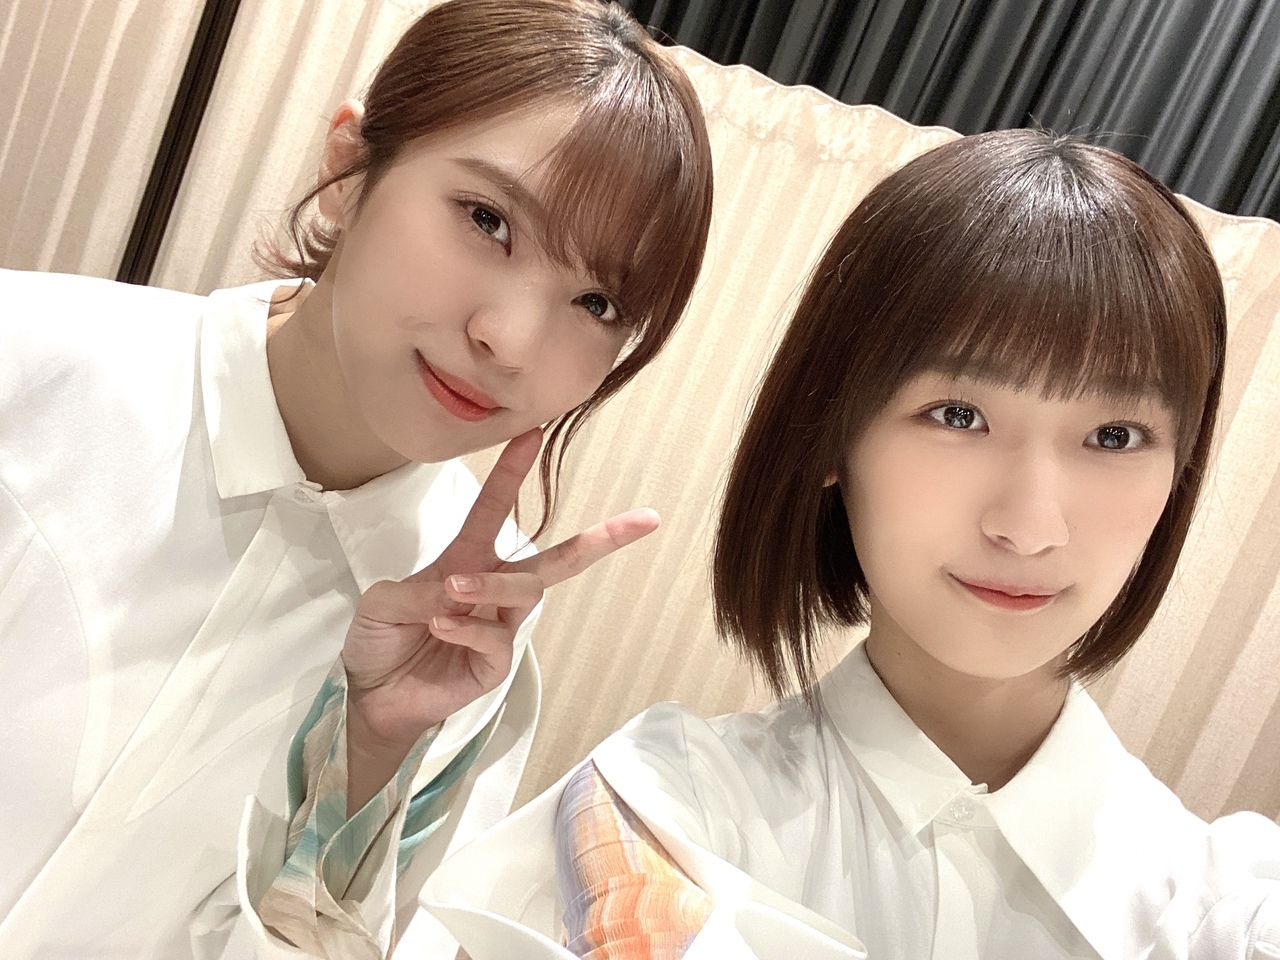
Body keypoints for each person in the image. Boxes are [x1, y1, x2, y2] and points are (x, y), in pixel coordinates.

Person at [415, 129, 1280, 959]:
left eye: (1116, 436)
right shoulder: (658, 816)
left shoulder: (1235, 906)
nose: (1029, 526)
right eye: (959, 415)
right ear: (834, 431)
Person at [0, 1, 713, 957]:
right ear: (348, 170)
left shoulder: (472, 628)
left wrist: (366, 757)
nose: (510, 339)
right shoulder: (27, 361)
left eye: (597, 301)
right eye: (488, 220)